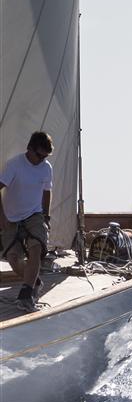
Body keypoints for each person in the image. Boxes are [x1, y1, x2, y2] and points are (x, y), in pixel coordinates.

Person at [0, 131, 54, 312]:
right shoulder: (14, 165)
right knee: (14, 260)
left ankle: (26, 294)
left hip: (34, 214)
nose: (42, 159)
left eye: (46, 156)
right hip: (11, 217)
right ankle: (34, 281)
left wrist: (46, 216)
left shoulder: (46, 167)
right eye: (40, 155)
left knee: (36, 247)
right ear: (29, 149)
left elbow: (47, 191)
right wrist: (3, 219)